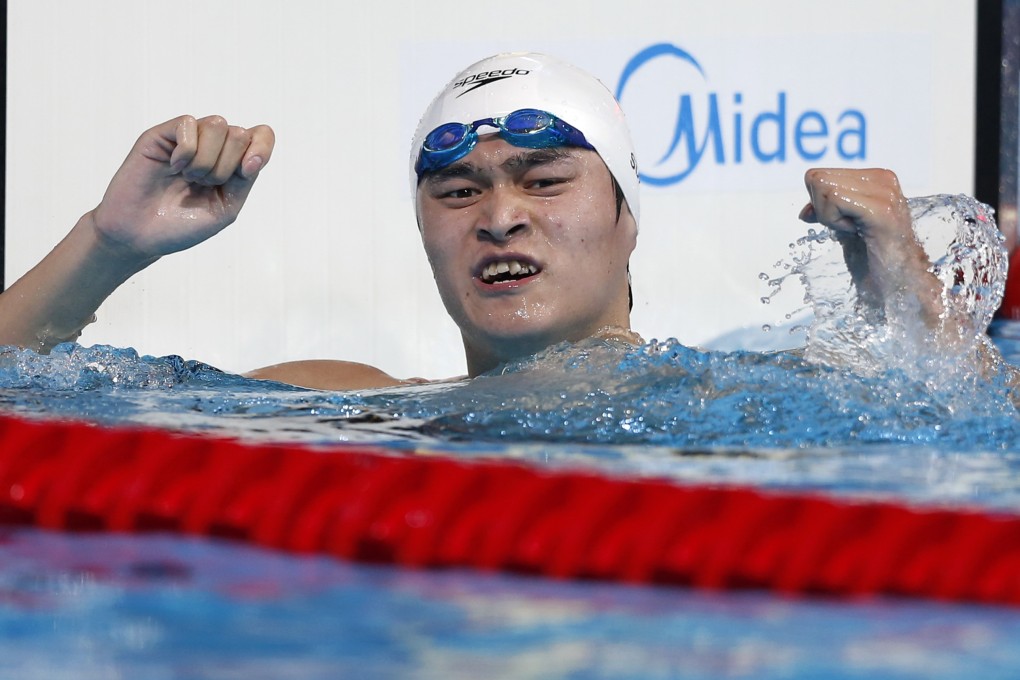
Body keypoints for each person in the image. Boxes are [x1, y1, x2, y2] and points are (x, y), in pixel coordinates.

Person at [0, 52, 977, 390]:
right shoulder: (358, 409)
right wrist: (108, 245)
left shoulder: (733, 405)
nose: (500, 216)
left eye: (545, 181)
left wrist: (908, 284)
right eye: (458, 190)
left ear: (628, 217)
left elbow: (974, 441)